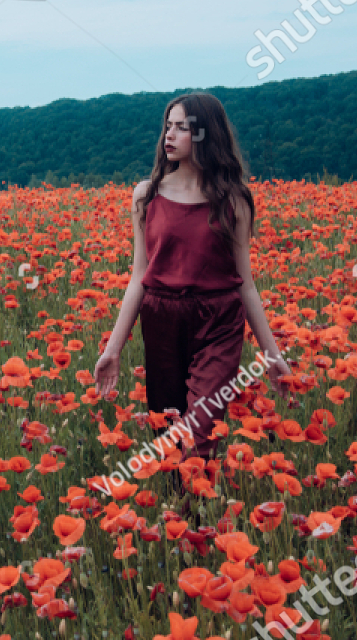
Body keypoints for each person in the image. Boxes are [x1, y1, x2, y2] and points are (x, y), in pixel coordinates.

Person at [93, 92, 294, 488]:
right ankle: (186, 527)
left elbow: (247, 285)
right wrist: (112, 349)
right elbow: (139, 275)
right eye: (168, 125)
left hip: (218, 321)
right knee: (168, 433)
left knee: (199, 433)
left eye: (182, 127)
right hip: (162, 319)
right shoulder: (145, 195)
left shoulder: (233, 201)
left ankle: (193, 523)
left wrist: (273, 357)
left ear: (206, 134)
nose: (170, 134)